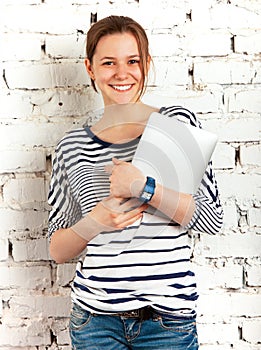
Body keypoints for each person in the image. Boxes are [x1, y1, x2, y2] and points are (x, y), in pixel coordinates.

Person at [48, 15, 223, 350]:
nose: (121, 73)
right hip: (95, 323)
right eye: (108, 63)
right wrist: (96, 221)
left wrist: (145, 188)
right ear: (90, 68)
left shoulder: (175, 124)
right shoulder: (71, 146)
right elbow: (57, 249)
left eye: (132, 61)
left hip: (168, 323)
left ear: (146, 64)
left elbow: (211, 219)